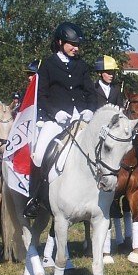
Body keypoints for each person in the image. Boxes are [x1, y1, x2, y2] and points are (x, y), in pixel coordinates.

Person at [25, 22, 95, 218]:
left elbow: (90, 92)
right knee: (39, 155)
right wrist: (55, 113)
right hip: (56, 121)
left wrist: (90, 110)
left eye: (78, 45)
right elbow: (41, 96)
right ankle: (35, 198)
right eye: (72, 44)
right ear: (60, 42)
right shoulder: (47, 65)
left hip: (80, 120)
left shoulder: (81, 65)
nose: (76, 48)